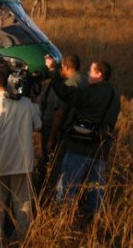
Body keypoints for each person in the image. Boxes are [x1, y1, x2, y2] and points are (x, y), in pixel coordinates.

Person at [0, 65, 42, 244]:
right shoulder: (26, 103)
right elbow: (38, 125)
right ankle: (23, 238)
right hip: (23, 163)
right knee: (23, 204)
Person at [46, 57, 120, 213]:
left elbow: (66, 93)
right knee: (96, 192)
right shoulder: (115, 96)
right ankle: (95, 220)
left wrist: (53, 71)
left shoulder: (92, 93)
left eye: (91, 70)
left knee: (67, 188)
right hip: (101, 151)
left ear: (99, 74)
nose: (87, 73)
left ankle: (62, 217)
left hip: (80, 148)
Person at [38, 54, 87, 191]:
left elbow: (60, 114)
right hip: (82, 133)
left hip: (65, 133)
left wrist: (51, 138)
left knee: (55, 167)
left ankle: (49, 193)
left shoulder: (69, 84)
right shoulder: (86, 81)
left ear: (66, 66)